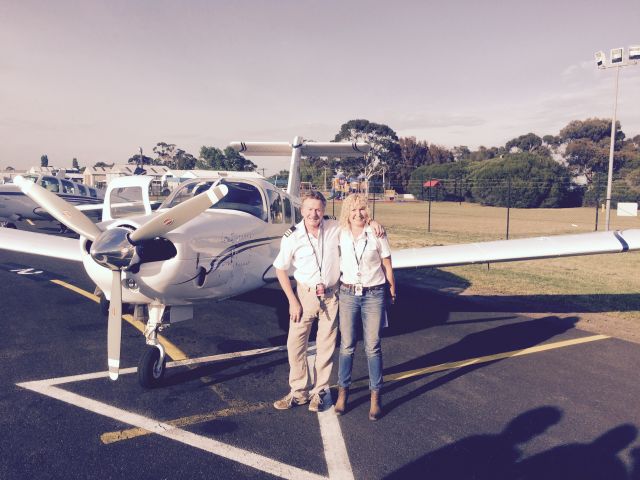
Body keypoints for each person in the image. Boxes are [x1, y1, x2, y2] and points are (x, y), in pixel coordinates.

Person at [272, 191, 384, 413]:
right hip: (304, 296)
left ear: (323, 211)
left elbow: (356, 219)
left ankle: (319, 392)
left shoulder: (334, 227)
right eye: (310, 209)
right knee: (295, 345)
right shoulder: (292, 236)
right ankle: (298, 391)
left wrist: (373, 221)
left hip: (332, 296)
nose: (314, 214)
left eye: (318, 209)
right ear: (301, 210)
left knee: (326, 346)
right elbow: (280, 269)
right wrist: (292, 301)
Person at [334, 193, 396, 421]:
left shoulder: (377, 233)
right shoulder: (340, 234)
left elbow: (388, 265)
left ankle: (375, 397)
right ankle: (343, 393)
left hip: (374, 293)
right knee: (347, 345)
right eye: (353, 210)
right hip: (348, 293)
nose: (358, 214)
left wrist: (392, 290)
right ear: (346, 214)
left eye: (362, 209)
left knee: (373, 346)